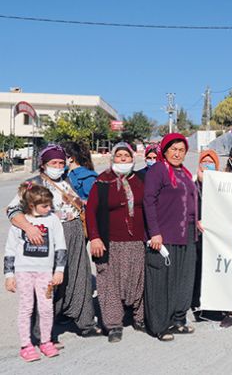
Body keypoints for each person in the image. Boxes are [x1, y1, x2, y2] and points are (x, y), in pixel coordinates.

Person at [6, 144, 101, 342]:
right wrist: (29, 228)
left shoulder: (67, 180)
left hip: (74, 233)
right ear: (43, 164)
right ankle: (42, 333)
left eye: (61, 162)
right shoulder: (32, 184)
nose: (58, 166)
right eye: (53, 163)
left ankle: (85, 323)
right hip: (48, 238)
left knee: (79, 277)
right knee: (48, 283)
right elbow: (12, 210)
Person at [86, 142, 147, 343]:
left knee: (138, 282)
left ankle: (139, 318)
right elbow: (91, 211)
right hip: (110, 242)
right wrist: (94, 237)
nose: (123, 159)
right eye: (119, 155)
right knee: (109, 284)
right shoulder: (102, 182)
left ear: (133, 159)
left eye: (126, 156)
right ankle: (113, 325)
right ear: (113, 159)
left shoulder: (141, 180)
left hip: (137, 241)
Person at [143, 133, 199, 341]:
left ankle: (178, 319)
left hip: (187, 235)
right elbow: (149, 202)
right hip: (165, 235)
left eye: (181, 150)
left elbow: (192, 201)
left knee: (183, 280)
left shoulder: (184, 173)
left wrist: (198, 221)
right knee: (162, 281)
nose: (177, 153)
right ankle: (160, 325)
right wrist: (154, 232)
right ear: (165, 151)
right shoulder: (158, 170)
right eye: (173, 149)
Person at [4, 183, 65, 362]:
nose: (49, 209)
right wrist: (9, 276)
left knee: (46, 308)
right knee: (26, 308)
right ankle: (26, 345)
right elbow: (10, 250)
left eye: (50, 205)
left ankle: (45, 341)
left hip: (45, 272)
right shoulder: (20, 222)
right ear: (32, 205)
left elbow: (60, 246)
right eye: (45, 206)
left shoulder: (53, 220)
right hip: (23, 272)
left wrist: (59, 271)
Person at [192, 150, 220, 324]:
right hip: (197, 235)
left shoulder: (222, 186)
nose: (207, 165)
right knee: (197, 270)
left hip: (217, 238)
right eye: (204, 162)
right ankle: (196, 303)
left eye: (211, 162)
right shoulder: (192, 185)